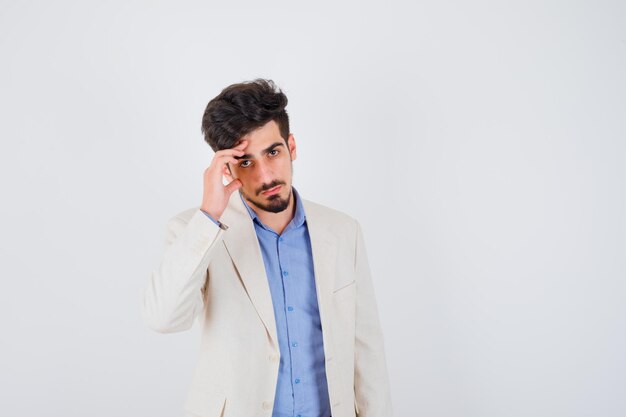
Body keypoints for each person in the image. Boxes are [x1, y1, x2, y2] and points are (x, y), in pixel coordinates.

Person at [141, 79, 392, 417]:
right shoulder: (195, 231)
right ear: (226, 167)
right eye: (246, 162)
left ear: (291, 146)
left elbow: (367, 350)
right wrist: (209, 215)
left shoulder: (343, 231)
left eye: (273, 152)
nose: (265, 175)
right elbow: (163, 318)